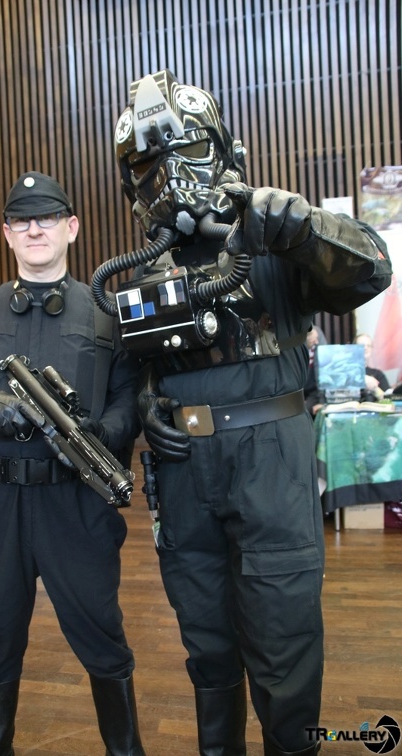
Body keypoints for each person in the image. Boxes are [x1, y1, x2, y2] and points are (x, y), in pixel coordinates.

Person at [96, 70, 392, 756]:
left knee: (283, 638)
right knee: (206, 640)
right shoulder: (145, 275)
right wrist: (147, 403)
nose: (168, 175)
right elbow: (137, 370)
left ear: (226, 151)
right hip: (183, 473)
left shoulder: (274, 240)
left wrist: (301, 226)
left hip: (270, 465)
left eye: (187, 149)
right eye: (146, 163)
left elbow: (371, 269)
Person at [0, 171, 145, 755]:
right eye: (21, 220)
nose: (34, 229)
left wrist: (105, 432)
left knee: (103, 640)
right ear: (7, 234)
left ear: (72, 227)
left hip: (78, 504)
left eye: (47, 218)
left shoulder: (105, 312)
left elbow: (130, 397)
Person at [354, 332, 390, 397]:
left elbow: (388, 399)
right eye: (362, 345)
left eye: (369, 346)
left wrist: (374, 388)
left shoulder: (378, 374)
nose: (365, 348)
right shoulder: (343, 372)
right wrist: (362, 379)